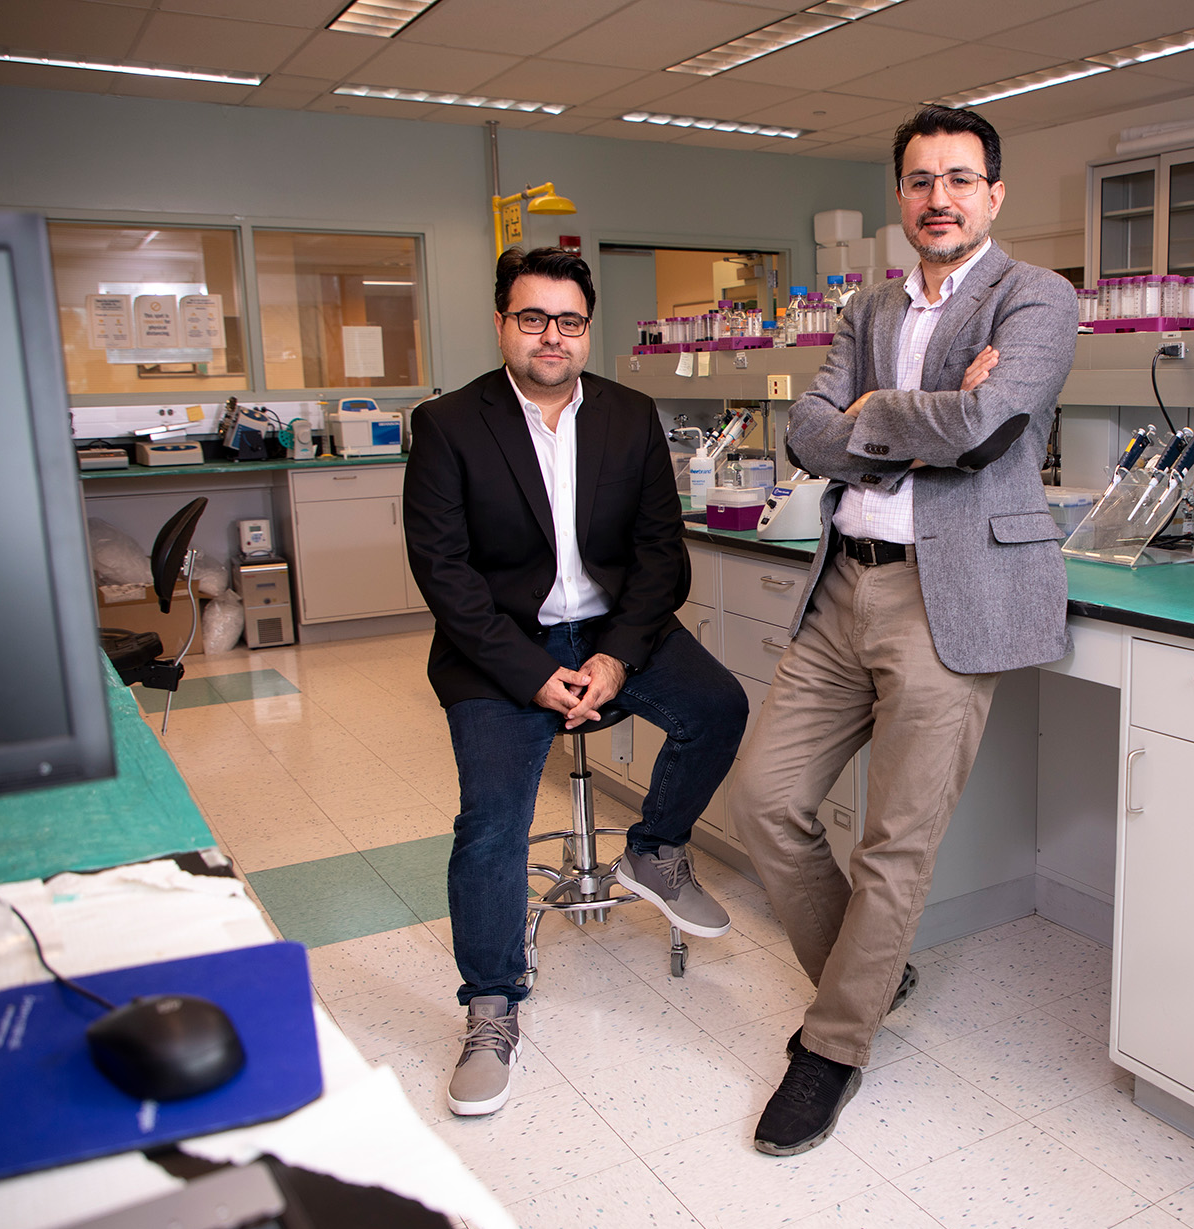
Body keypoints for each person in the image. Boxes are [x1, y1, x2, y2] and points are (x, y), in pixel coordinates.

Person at [728, 105, 1079, 1155]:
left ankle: (832, 1046)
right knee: (765, 800)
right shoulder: (868, 306)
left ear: (994, 194)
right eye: (922, 179)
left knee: (895, 842)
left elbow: (984, 428)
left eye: (961, 178)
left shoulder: (1037, 297)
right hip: (843, 585)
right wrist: (914, 411)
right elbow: (807, 433)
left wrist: (872, 416)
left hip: (949, 598)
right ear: (900, 195)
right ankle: (870, 975)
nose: (940, 197)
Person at [404, 247, 747, 1117]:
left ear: (587, 329)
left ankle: (654, 849)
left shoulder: (630, 415)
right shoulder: (448, 425)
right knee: (491, 822)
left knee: (719, 706)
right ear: (501, 324)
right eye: (532, 318)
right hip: (497, 646)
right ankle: (491, 1005)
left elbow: (660, 556)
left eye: (569, 321)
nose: (551, 336)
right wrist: (530, 675)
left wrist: (616, 657)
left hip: (612, 631)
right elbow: (445, 574)